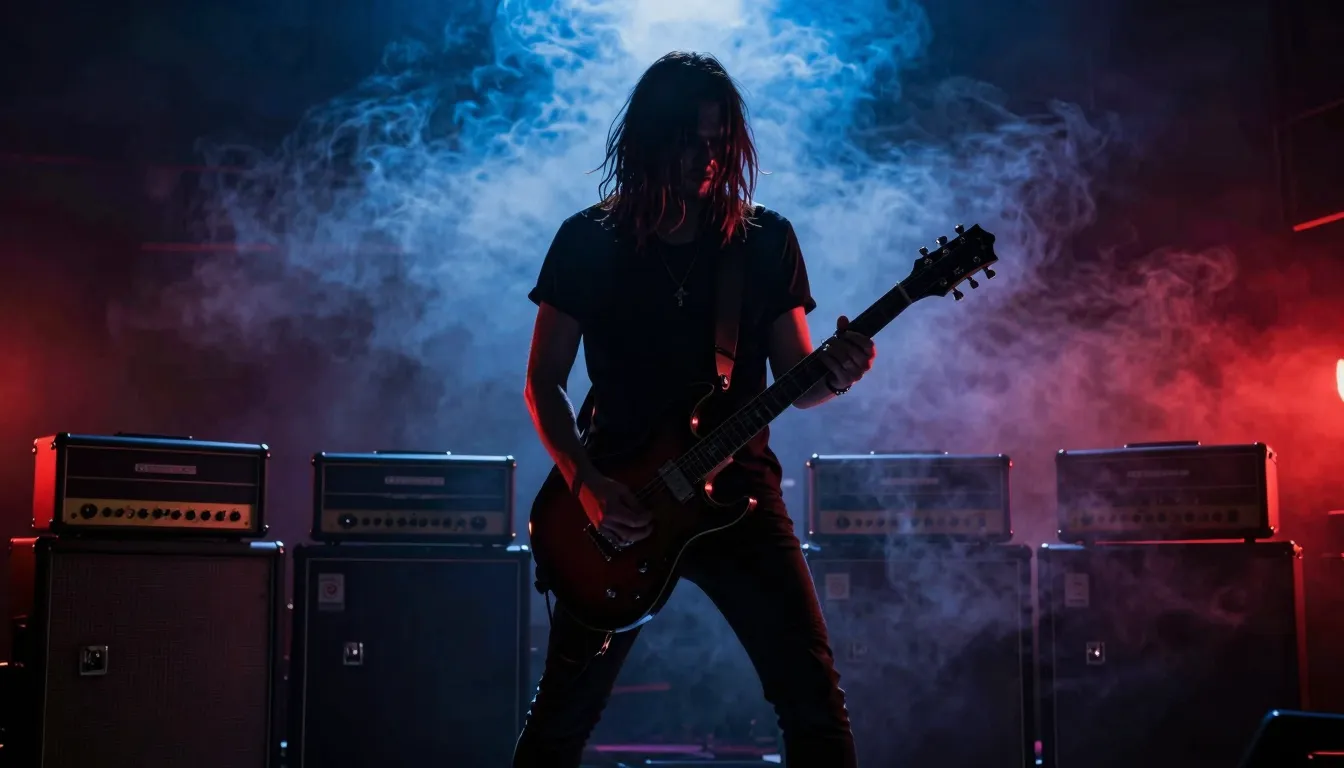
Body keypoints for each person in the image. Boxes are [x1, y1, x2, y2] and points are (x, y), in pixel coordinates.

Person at [515, 51, 875, 767]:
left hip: (739, 497)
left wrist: (839, 374)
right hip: (621, 505)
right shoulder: (589, 240)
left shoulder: (764, 241)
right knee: (563, 716)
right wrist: (587, 486)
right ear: (649, 139)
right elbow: (543, 383)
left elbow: (799, 382)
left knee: (813, 702)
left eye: (719, 142)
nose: (706, 159)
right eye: (689, 141)